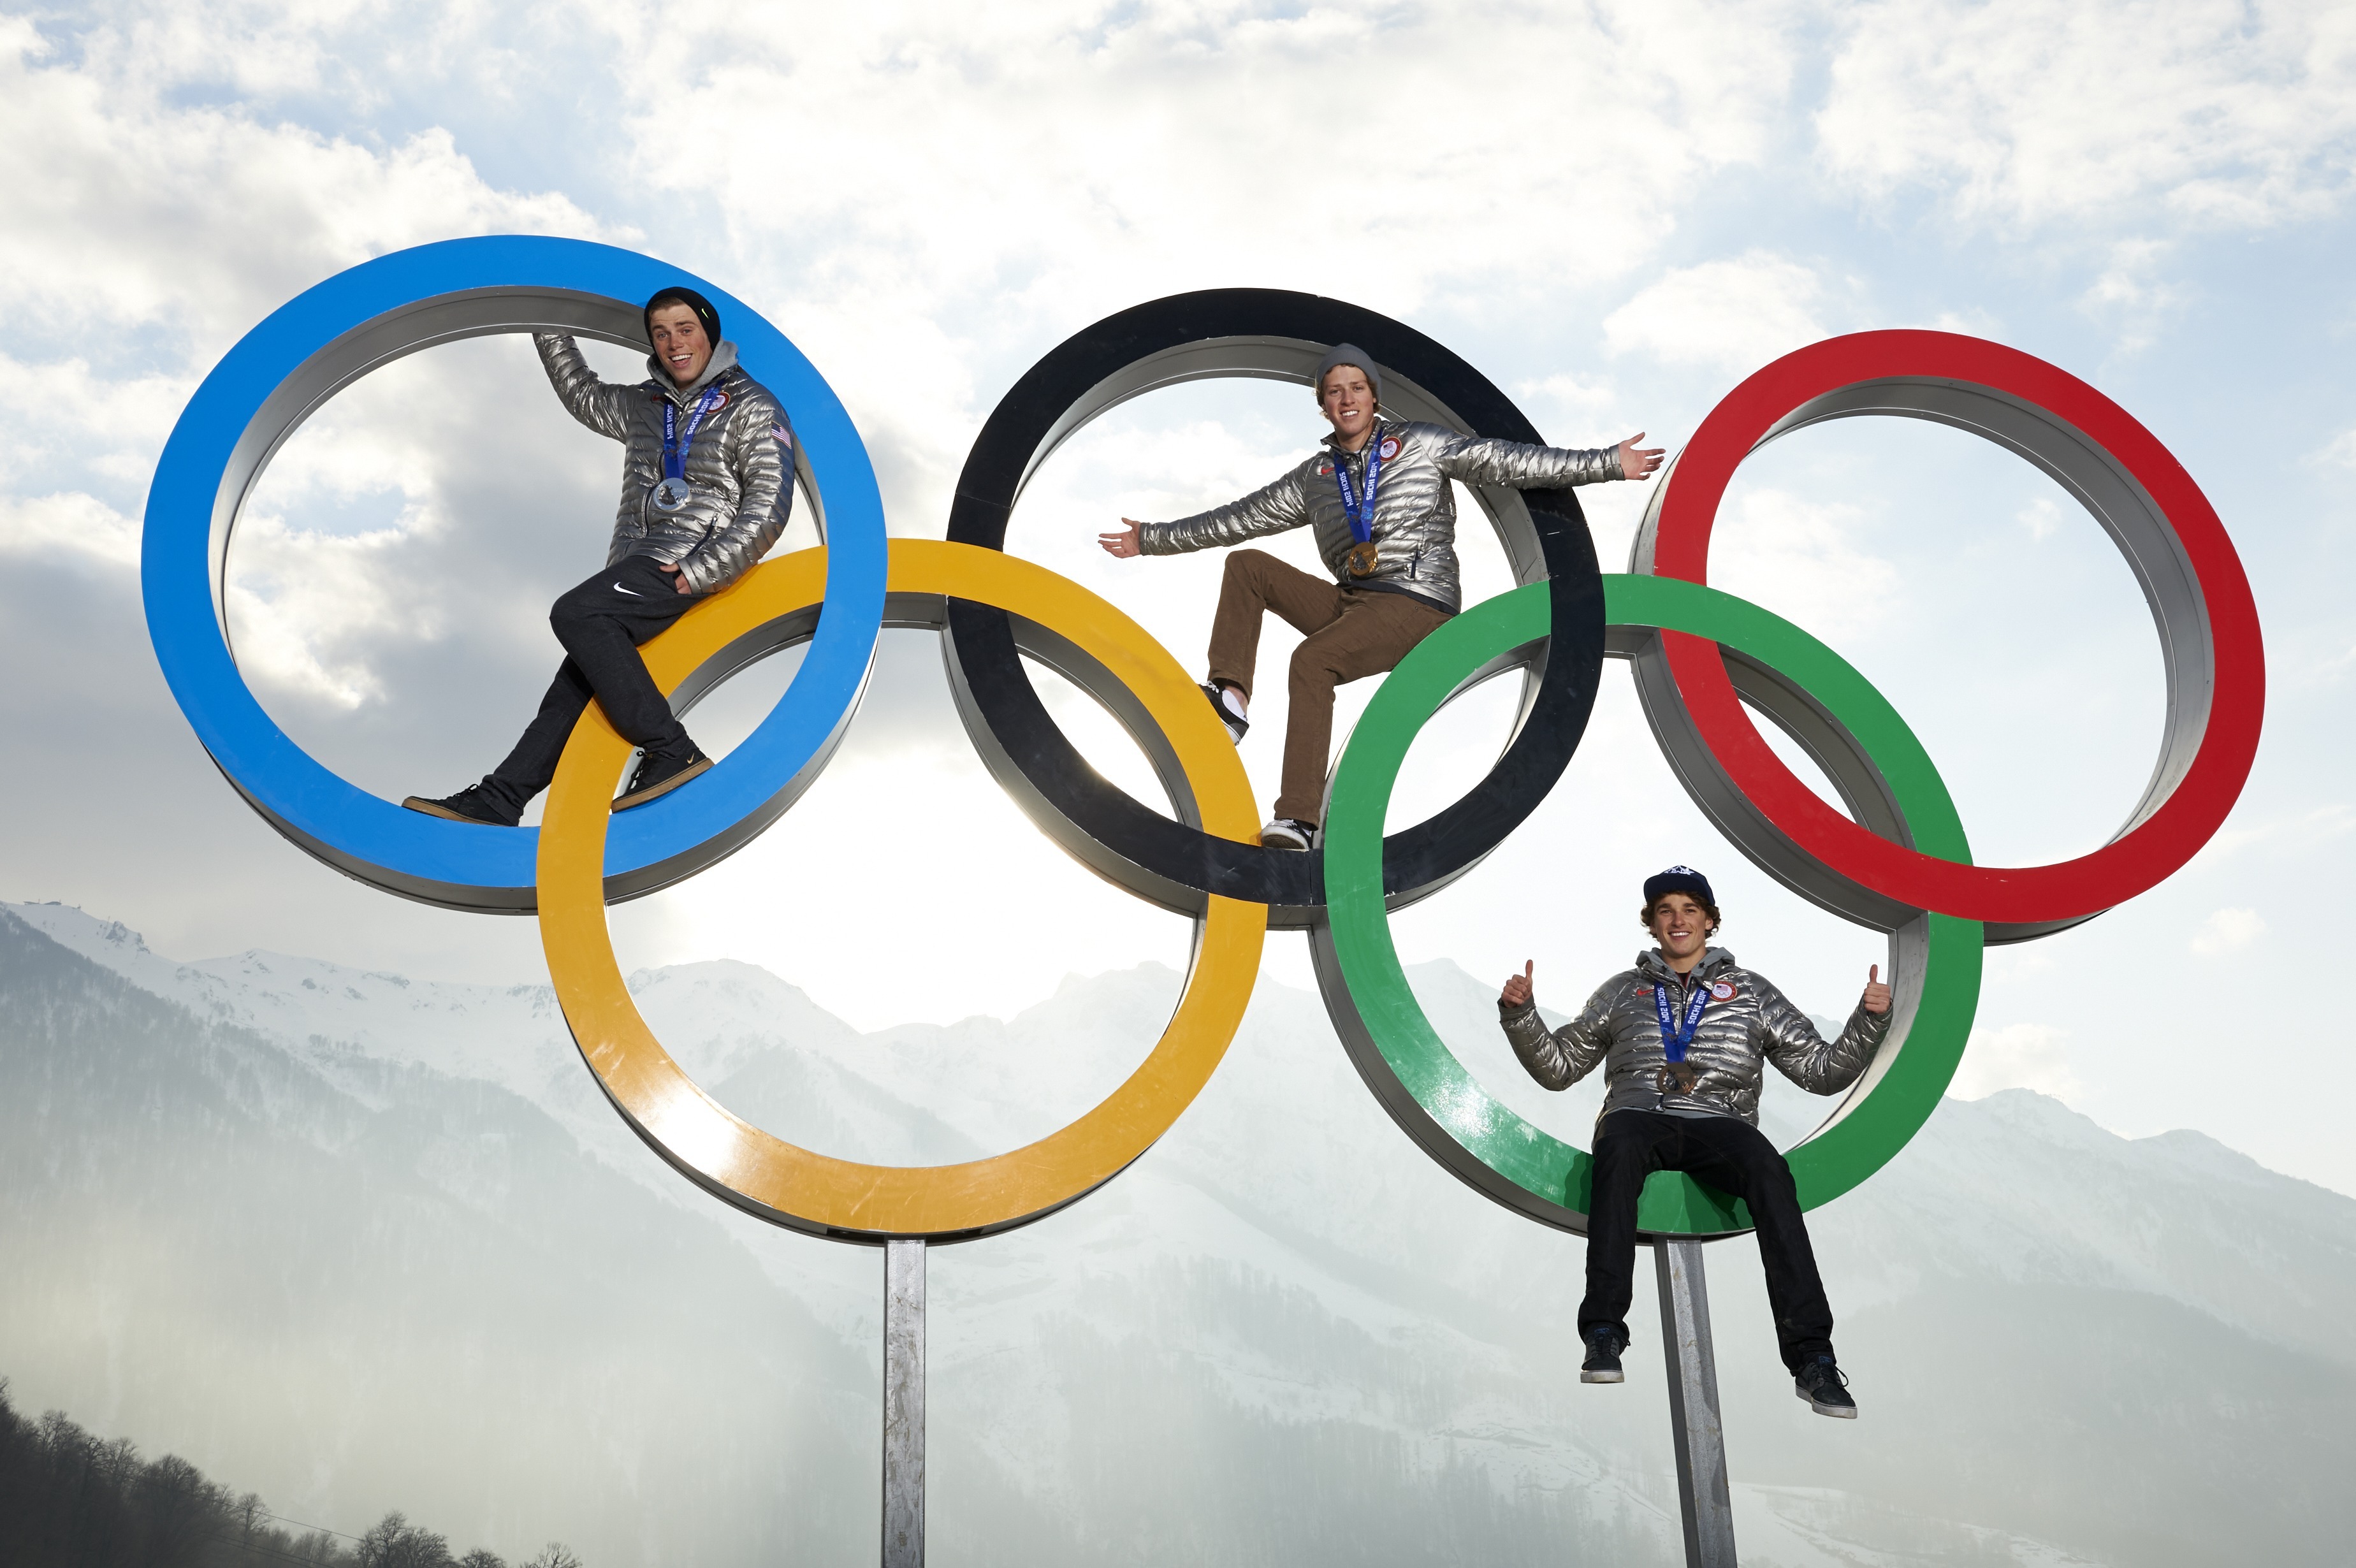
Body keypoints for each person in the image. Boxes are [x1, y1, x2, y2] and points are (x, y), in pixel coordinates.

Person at [1097, 345, 1662, 850]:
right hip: (1353, 602)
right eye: (1334, 391)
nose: (1347, 399)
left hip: (1417, 603)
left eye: (1357, 388)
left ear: (1374, 397)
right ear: (1323, 406)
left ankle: (1298, 821)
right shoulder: (1315, 475)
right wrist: (1150, 538)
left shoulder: (1420, 444)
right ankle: (1230, 704)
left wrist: (1608, 463)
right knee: (1248, 566)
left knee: (1311, 662)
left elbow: (1506, 460)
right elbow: (1238, 518)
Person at [1496, 866, 1892, 1418]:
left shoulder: (1750, 991)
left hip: (1720, 1119)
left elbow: (1820, 1071)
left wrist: (1869, 1020)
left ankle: (1813, 1360)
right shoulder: (1622, 992)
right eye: (1665, 910)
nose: (1678, 920)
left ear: (1709, 920)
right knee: (1618, 1149)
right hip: (1640, 1113)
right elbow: (1559, 1068)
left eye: (1689, 909)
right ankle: (1605, 1331)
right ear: (1652, 925)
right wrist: (1520, 1016)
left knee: (1770, 1172)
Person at [404, 287, 795, 824]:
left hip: (685, 562)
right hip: (634, 563)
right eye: (661, 333)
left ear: (710, 334)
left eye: (685, 329)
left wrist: (698, 570)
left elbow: (769, 505)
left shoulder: (753, 406)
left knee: (574, 612)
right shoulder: (644, 404)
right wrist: (544, 323)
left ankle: (671, 749)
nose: (674, 343)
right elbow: (582, 394)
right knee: (573, 692)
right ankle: (500, 799)